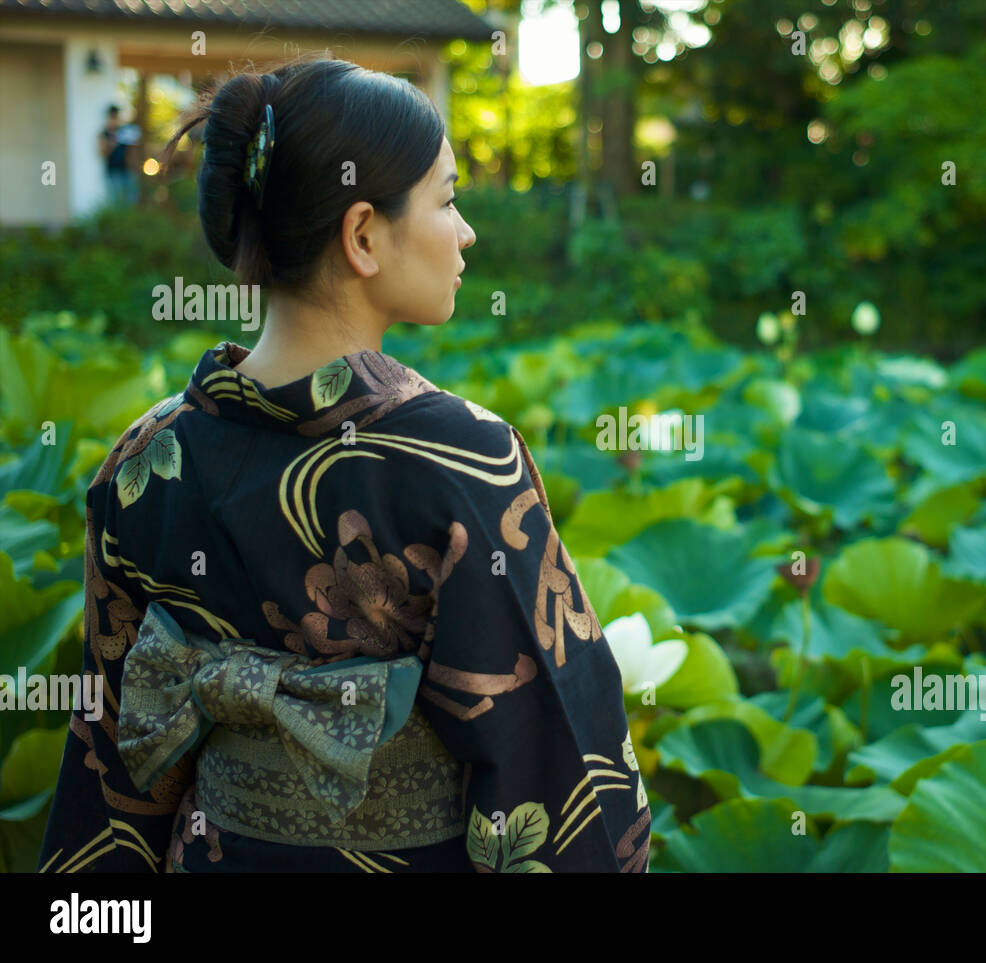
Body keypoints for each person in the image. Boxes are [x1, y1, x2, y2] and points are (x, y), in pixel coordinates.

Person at [38, 56, 651, 873]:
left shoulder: (145, 460)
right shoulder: (462, 462)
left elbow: (106, 772)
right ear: (363, 234)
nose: (466, 231)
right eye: (447, 197)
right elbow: (559, 762)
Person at [99, 105, 139, 206]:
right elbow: (102, 153)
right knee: (116, 200)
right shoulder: (104, 134)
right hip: (113, 170)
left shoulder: (125, 131)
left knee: (132, 198)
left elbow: (134, 147)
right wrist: (113, 142)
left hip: (128, 169)